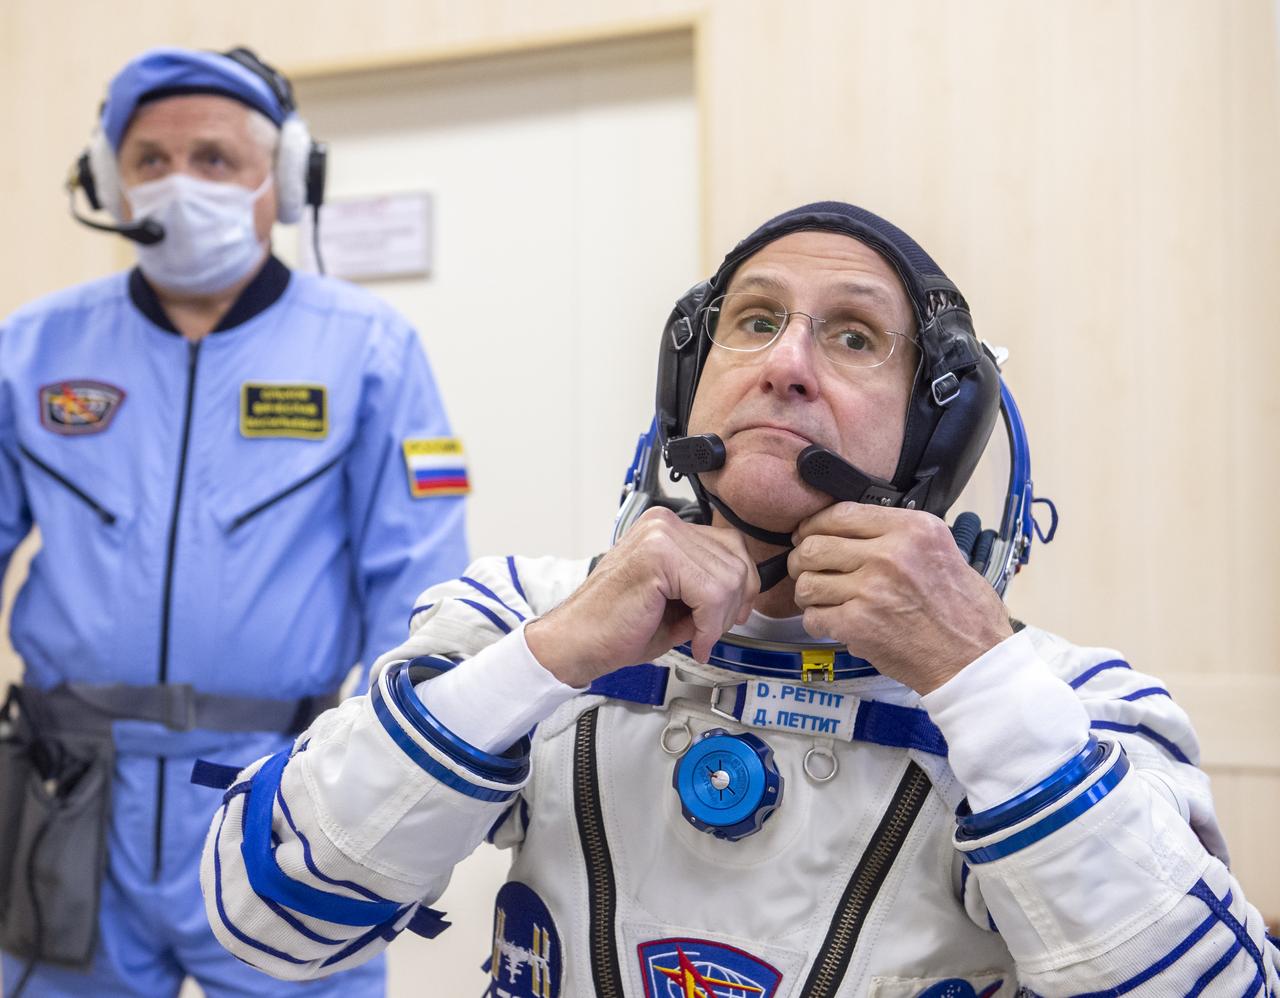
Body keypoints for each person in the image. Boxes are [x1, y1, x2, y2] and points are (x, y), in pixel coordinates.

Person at [201, 201, 1280, 996]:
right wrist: (547, 658)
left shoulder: (1068, 704)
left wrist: (973, 673)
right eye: (752, 321)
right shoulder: (516, 623)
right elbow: (265, 919)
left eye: (852, 336)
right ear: (688, 386)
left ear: (935, 432)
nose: (786, 363)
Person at [0, 46, 469, 997]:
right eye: (150, 159)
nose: (180, 185)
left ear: (284, 182)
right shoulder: (31, 349)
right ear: (109, 179)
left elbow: (419, 596)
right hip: (70, 801)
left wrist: (385, 786)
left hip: (283, 804)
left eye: (214, 159)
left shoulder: (369, 351)